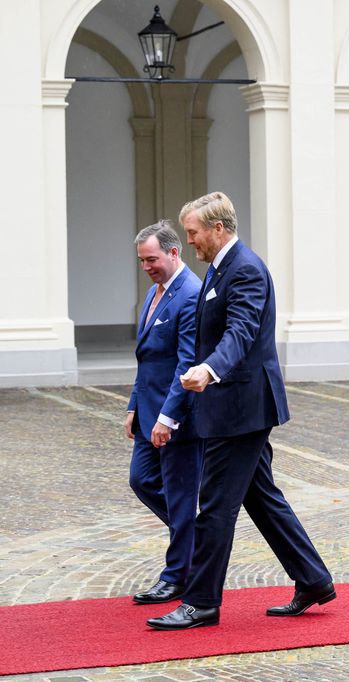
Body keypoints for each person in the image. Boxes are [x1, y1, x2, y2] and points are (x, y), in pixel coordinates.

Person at [147, 192, 334, 630]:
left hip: (241, 408)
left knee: (213, 506)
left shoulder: (245, 268)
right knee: (262, 498)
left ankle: (201, 603)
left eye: (193, 233)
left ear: (218, 229)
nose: (190, 241)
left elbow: (242, 332)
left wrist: (210, 369)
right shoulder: (219, 267)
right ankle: (314, 579)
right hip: (231, 405)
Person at [125, 221, 203, 605]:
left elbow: (186, 364)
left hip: (177, 418)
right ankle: (196, 537)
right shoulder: (155, 290)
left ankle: (177, 576)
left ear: (174, 253)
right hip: (147, 411)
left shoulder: (190, 294)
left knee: (180, 493)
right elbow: (147, 359)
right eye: (141, 261)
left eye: (151, 259)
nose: (146, 267)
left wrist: (167, 417)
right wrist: (134, 406)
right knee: (141, 481)